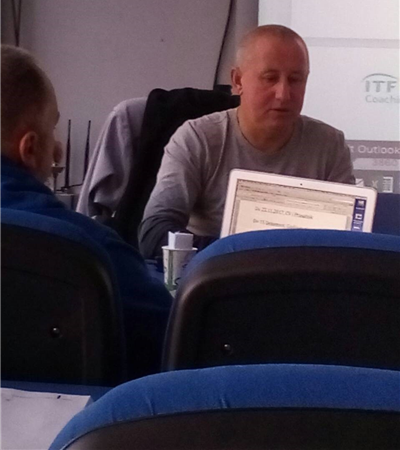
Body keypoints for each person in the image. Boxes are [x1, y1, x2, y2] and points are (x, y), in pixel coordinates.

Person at [0, 45, 172, 379]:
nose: (58, 148)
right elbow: (176, 339)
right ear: (30, 148)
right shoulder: (87, 250)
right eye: (52, 129)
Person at [139, 25, 355, 258]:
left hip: (300, 274)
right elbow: (154, 232)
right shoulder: (198, 139)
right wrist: (238, 254)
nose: (283, 94)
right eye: (270, 78)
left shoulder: (330, 145)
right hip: (217, 272)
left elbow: (348, 241)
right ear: (238, 80)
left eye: (295, 80)